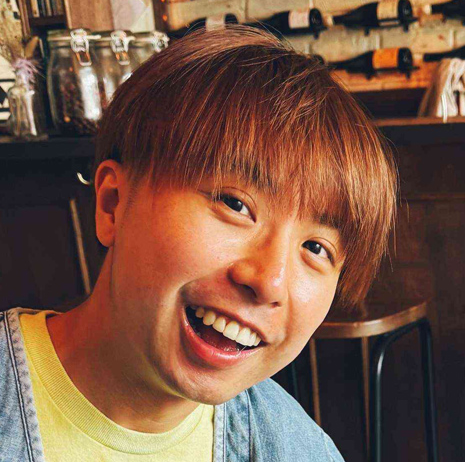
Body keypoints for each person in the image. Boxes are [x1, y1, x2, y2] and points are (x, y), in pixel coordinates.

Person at [0, 26, 397, 461]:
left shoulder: (299, 451)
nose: (269, 281)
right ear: (113, 204)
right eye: (234, 204)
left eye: (316, 248)